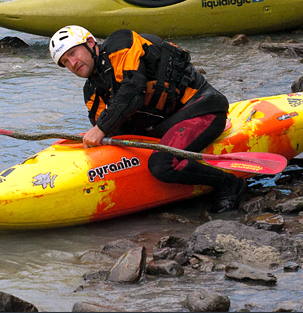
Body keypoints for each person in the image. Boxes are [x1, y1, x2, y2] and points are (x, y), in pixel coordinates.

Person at [48, 25, 247, 213]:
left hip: (202, 109)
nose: (72, 63)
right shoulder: (91, 90)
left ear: (90, 43)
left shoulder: (121, 43)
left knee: (162, 164)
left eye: (72, 53)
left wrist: (100, 129)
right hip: (164, 125)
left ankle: (230, 184)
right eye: (65, 62)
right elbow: (109, 130)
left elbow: (133, 93)